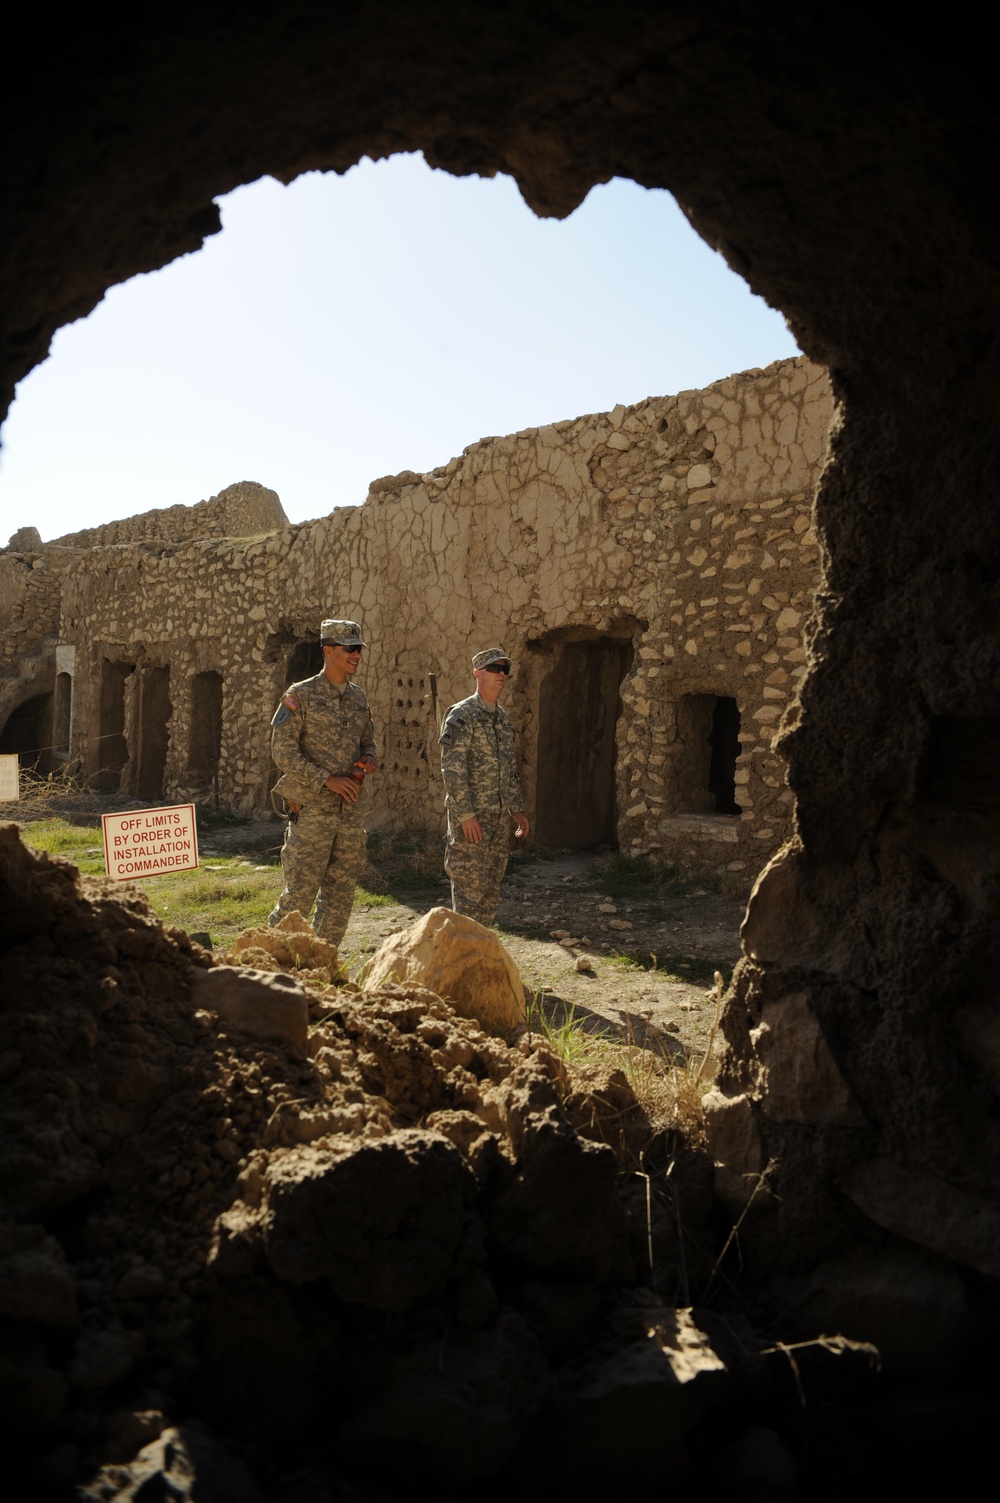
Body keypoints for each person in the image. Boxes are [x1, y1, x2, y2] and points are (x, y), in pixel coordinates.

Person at [267, 619, 377, 945]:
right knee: (299, 896)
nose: (357, 655)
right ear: (328, 650)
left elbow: (368, 742)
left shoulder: (358, 698)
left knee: (340, 897)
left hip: (350, 812)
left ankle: (322, 965)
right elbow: (282, 752)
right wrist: (327, 780)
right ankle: (267, 965)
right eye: (350, 648)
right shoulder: (300, 695)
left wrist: (369, 759)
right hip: (312, 809)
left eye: (359, 649)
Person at [439, 647, 529, 926]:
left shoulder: (502, 719)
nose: (501, 674)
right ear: (477, 673)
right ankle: (462, 955)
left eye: (505, 670)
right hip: (472, 820)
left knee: (490, 888)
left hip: (497, 819)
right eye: (494, 669)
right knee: (469, 888)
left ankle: (479, 953)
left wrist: (517, 810)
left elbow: (508, 770)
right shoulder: (462, 715)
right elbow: (452, 770)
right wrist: (466, 815)